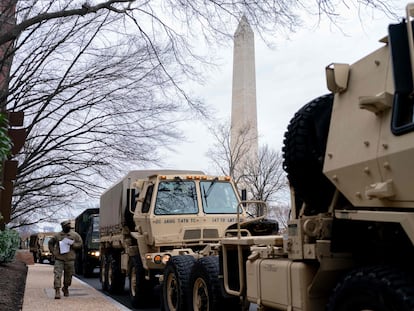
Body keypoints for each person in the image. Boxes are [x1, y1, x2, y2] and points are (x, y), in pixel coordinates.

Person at [48, 220, 83, 299]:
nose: (68, 226)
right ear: (62, 227)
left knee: (69, 276)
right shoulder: (57, 236)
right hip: (59, 258)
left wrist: (73, 245)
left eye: (69, 225)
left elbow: (80, 244)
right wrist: (53, 252)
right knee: (57, 275)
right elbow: (50, 243)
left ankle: (66, 287)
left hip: (70, 259)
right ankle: (57, 290)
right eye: (66, 225)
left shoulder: (75, 235)